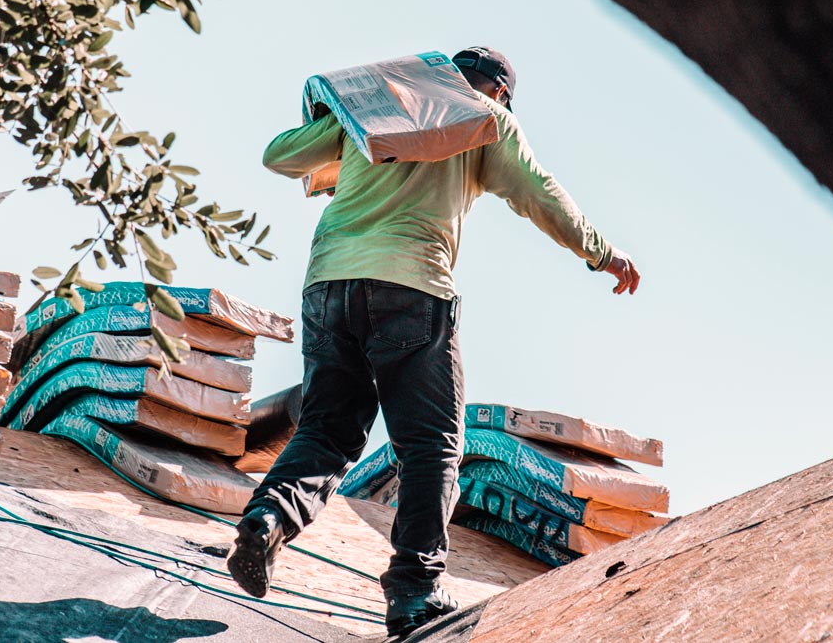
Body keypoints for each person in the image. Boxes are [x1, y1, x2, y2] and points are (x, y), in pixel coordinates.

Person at [228, 47, 641, 636]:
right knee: (432, 446)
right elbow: (537, 192)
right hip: (412, 289)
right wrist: (603, 253)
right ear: (498, 92)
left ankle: (269, 517)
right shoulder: (487, 120)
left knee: (327, 428)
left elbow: (279, 156)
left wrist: (337, 119)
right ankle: (415, 591)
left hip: (328, 287)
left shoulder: (379, 109)